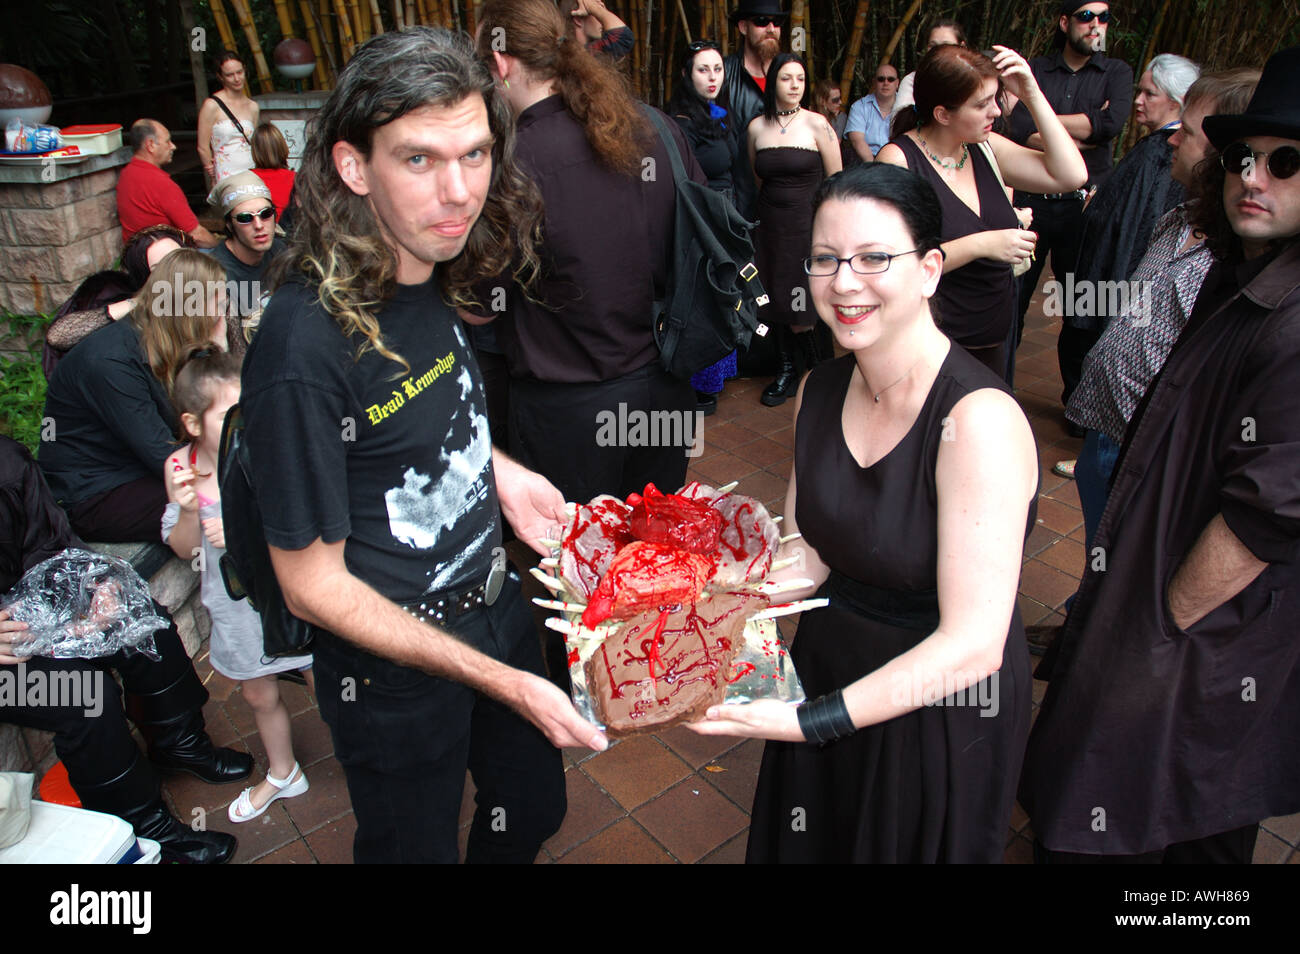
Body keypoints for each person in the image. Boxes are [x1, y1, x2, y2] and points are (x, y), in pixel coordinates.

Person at [241, 26, 605, 865]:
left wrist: (500, 471)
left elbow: (423, 416)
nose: (458, 192)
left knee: (534, 805)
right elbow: (310, 587)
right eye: (419, 160)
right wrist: (498, 678)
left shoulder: (425, 262)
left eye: (475, 154)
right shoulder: (303, 348)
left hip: (494, 607)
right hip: (391, 671)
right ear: (352, 166)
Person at [688, 163, 1038, 863]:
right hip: (825, 671)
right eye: (825, 259)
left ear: (931, 270)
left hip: (934, 707)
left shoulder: (979, 421)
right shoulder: (819, 389)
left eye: (876, 258)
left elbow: (974, 644)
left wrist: (810, 721)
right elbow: (807, 557)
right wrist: (689, 591)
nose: (844, 282)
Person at [1020, 45, 1300, 863]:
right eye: (1244, 156)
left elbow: (1264, 514)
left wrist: (1161, 626)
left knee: (1166, 825)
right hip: (1149, 584)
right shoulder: (1242, 273)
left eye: (1287, 163)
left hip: (1198, 633)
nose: (1255, 176)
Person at [1023, 68, 1259, 658]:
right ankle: (1082, 627)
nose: (1173, 140)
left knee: (1132, 558)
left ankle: (1099, 653)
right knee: (1103, 545)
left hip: (1149, 447)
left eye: (1191, 132)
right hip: (1109, 428)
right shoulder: (1179, 220)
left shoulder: (1239, 262)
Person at [470, 0, 704, 504]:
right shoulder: (659, 129)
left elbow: (478, 301)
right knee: (654, 561)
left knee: (575, 571)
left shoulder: (510, 163)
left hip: (572, 412)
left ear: (501, 63)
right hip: (666, 395)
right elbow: (702, 245)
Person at [1, 435, 249, 864]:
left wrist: (94, 584)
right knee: (81, 695)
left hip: (28, 607)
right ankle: (143, 830)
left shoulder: (6, 460)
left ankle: (178, 742)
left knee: (138, 619)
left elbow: (52, 544)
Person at [161, 350, 312, 823]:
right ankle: (285, 771)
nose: (244, 419)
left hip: (284, 594)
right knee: (257, 694)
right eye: (229, 413)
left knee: (321, 675)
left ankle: (362, 755)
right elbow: (184, 549)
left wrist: (246, 530)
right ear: (191, 422)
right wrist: (188, 511)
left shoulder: (263, 450)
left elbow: (301, 524)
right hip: (233, 604)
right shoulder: (179, 469)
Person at [877, 45, 1086, 377]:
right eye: (981, 104)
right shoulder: (899, 160)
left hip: (992, 340)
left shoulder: (982, 148)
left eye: (994, 99)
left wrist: (1032, 94)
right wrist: (983, 244)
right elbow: (895, 264)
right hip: (932, 346)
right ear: (943, 114)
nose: (996, 112)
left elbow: (1071, 175)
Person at [1051, 52, 1199, 481]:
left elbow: (1138, 228)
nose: (1137, 100)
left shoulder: (1163, 152)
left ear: (1178, 100)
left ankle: (1097, 453)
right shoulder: (1157, 145)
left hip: (1119, 284)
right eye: (1140, 90)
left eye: (1149, 93)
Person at [38, 250, 230, 543]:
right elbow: (162, 454)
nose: (222, 314)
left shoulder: (165, 340)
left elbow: (213, 417)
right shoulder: (110, 363)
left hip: (137, 466)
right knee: (230, 502)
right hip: (99, 492)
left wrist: (218, 351)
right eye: (217, 304)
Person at [1005, 0, 1133, 409]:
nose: (1096, 24)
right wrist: (1084, 129)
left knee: (1083, 306)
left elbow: (1112, 125)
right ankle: (997, 396)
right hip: (1031, 204)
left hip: (1085, 207)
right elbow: (1019, 126)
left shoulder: (1117, 72)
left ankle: (1078, 405)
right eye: (1086, 16)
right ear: (1065, 22)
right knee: (1012, 298)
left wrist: (1046, 120)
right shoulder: (1037, 70)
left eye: (1104, 17)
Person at [749, 52, 843, 406]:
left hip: (807, 226)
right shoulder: (756, 127)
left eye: (800, 79)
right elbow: (758, 177)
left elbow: (836, 180)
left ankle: (821, 372)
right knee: (772, 301)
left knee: (804, 308)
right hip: (770, 225)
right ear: (773, 81)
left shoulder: (819, 124)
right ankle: (786, 370)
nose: (794, 85)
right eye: (787, 78)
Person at [667, 39, 741, 414]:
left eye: (717, 69)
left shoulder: (721, 112)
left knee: (725, 291)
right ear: (686, 74)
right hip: (700, 217)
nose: (712, 77)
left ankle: (718, 376)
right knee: (704, 295)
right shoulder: (678, 122)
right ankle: (700, 383)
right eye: (702, 69)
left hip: (725, 214)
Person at [42, 225, 194, 379]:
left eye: (177, 258)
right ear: (145, 276)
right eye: (159, 268)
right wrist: (140, 301)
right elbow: (58, 336)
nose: (174, 270)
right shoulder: (117, 294)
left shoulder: (207, 288)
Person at [722, 0, 789, 218]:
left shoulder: (792, 76)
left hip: (784, 200)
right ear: (743, 27)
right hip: (737, 201)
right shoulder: (721, 75)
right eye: (762, 22)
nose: (771, 29)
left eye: (777, 22)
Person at [206, 171, 286, 350]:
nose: (258, 225)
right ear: (229, 225)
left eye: (266, 214)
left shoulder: (282, 252)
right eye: (245, 218)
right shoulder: (214, 272)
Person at [115, 120, 219, 248]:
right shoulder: (160, 183)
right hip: (165, 257)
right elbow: (197, 235)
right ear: (151, 145)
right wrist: (220, 248)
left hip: (135, 255)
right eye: (167, 141)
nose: (173, 146)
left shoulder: (126, 174)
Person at [197, 51, 258, 187]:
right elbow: (202, 147)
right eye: (230, 75)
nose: (237, 78)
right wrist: (212, 174)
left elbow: (253, 142)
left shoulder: (253, 106)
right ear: (220, 77)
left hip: (251, 170)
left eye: (239, 72)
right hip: (225, 173)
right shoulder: (212, 105)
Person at [893, 18, 968, 121]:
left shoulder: (973, 79)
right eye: (933, 46)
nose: (939, 51)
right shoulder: (912, 81)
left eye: (946, 45)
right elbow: (897, 125)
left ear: (962, 47)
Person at [845, 61, 899, 162]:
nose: (886, 83)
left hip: (899, 160)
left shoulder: (906, 106)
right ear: (874, 82)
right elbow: (857, 140)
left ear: (897, 83)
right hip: (867, 161)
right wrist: (874, 168)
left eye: (890, 79)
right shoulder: (859, 107)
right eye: (881, 79)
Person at [250, 122, 296, 218]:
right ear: (282, 146)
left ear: (255, 151)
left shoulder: (247, 179)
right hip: (289, 229)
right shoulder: (297, 178)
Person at [563, 0, 633, 59]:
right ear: (578, 20)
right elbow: (623, 39)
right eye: (594, 13)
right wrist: (594, 7)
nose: (602, 19)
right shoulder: (578, 56)